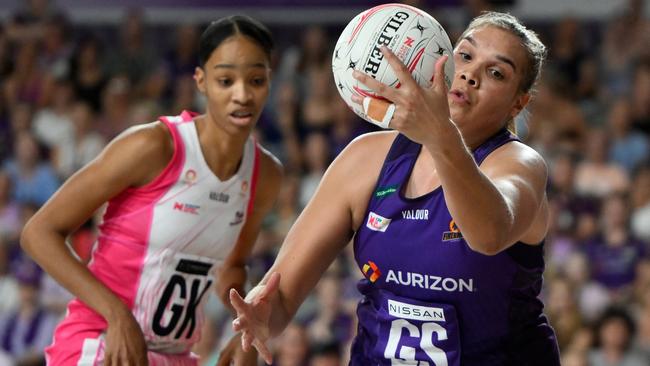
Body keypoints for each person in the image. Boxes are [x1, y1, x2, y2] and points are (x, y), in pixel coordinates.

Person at [227, 11, 560, 366]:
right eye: (465, 55)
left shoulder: (518, 164)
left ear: (518, 103)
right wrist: (262, 315)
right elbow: (280, 300)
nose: (470, 74)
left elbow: (488, 234)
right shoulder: (366, 158)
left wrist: (438, 132)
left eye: (496, 73)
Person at [20, 15, 282, 365]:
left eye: (256, 80)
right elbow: (38, 233)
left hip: (173, 355)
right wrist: (116, 313)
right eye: (225, 80)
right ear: (201, 82)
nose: (242, 94)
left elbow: (232, 270)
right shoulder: (153, 146)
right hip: (102, 341)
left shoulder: (265, 175)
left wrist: (244, 327)